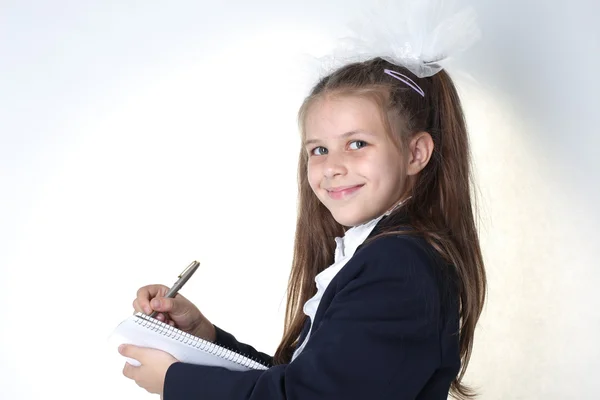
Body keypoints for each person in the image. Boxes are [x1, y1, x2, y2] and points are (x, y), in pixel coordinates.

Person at [119, 55, 487, 399]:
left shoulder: (397, 264)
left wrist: (176, 381)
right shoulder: (381, 254)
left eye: (357, 144)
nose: (332, 167)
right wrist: (205, 337)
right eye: (319, 150)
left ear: (415, 153)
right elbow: (309, 382)